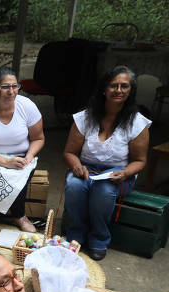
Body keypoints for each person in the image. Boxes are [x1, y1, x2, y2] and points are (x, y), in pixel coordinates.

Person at [62, 66, 151, 261]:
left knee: (103, 190)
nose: (118, 90)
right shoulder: (85, 117)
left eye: (124, 86)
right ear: (104, 89)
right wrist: (76, 165)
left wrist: (126, 173)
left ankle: (99, 239)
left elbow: (139, 161)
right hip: (86, 168)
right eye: (113, 85)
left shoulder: (137, 123)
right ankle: (75, 235)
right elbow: (69, 152)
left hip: (119, 173)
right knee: (75, 186)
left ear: (130, 91)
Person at [0, 66, 45, 232]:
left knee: (19, 172)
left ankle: (19, 215)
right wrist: (5, 162)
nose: (11, 91)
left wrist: (29, 156)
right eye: (5, 87)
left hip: (20, 155)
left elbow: (39, 138)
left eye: (14, 86)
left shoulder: (27, 106)